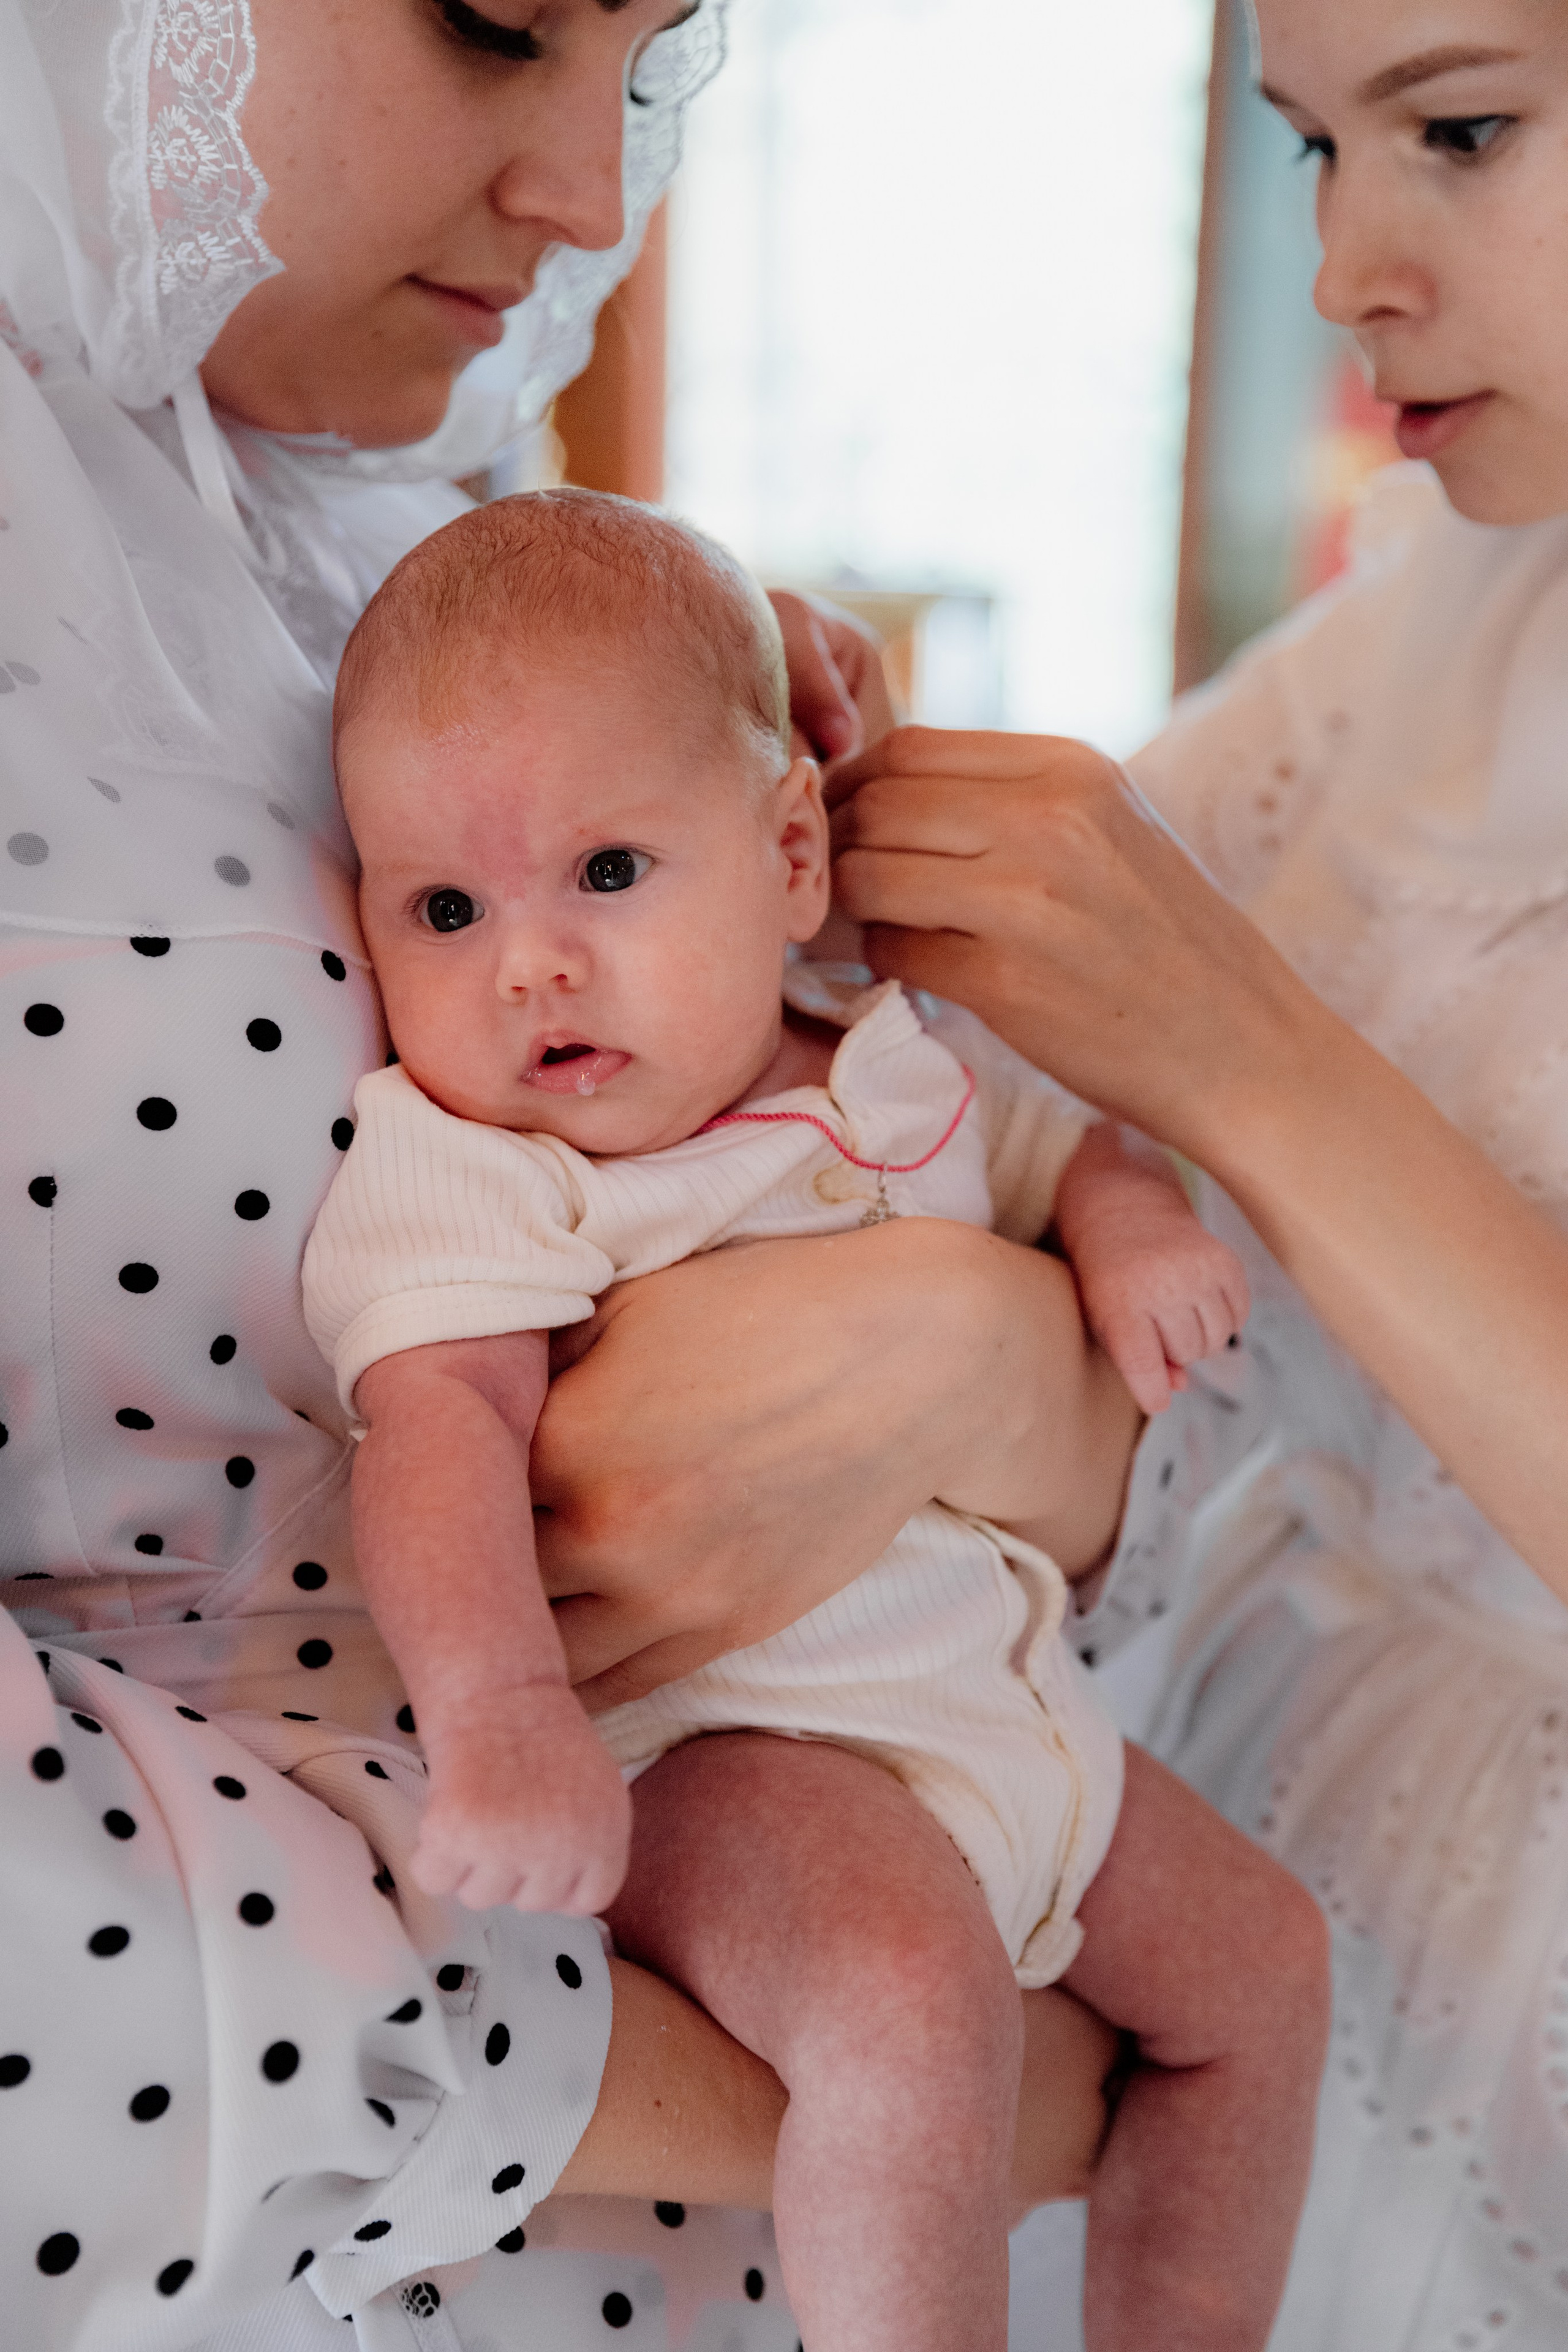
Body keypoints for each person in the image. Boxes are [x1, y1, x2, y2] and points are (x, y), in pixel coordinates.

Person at [0, 4, 1126, 2347]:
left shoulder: (487, 557)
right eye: (498, 21)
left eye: (649, 61)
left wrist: (989, 1354)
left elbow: (1057, 1434)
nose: (597, 198)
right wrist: (919, 2076)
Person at [300, 487, 1321, 2352]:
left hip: (1007, 1717)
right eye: (444, 908)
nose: (526, 963)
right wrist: (503, 1719)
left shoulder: (894, 1056)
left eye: (608, 874)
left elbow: (1062, 1137)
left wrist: (1131, 1219)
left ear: (786, 856)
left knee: (1266, 1968)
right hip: (735, 1763)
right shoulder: (479, 1168)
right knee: (910, 2005)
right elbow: (432, 1436)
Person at [826, 0, 1568, 2340]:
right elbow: (1026, 1005)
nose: (1351, 260)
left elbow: (1190, 1018)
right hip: (1295, 1827)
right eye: (1307, 149)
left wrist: (1241, 1062)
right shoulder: (1447, 617)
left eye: (1457, 130)